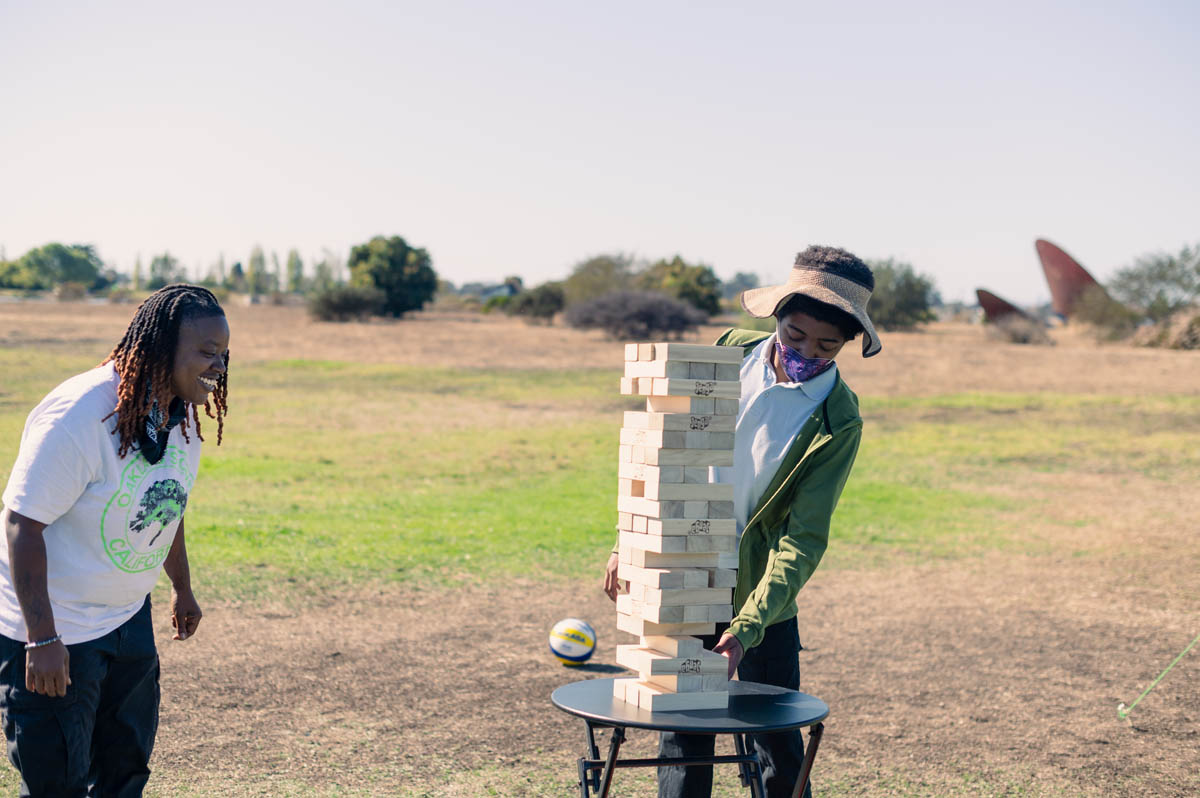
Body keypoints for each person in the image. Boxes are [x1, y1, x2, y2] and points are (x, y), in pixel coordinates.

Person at [602, 246, 882, 798]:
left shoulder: (837, 418)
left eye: (827, 345)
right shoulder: (727, 356)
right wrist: (630, 542)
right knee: (685, 744)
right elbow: (666, 450)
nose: (806, 353)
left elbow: (802, 539)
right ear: (776, 317)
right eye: (796, 336)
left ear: (848, 342)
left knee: (778, 750)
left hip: (761, 606)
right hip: (685, 579)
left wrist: (746, 630)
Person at [0, 284, 230, 796]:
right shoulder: (81, 413)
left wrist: (182, 587)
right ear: (160, 346)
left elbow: (169, 500)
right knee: (57, 783)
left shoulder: (178, 410)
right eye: (207, 353)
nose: (219, 366)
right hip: (56, 632)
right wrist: (41, 638)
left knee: (124, 774)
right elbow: (22, 523)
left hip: (127, 623)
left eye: (224, 353)